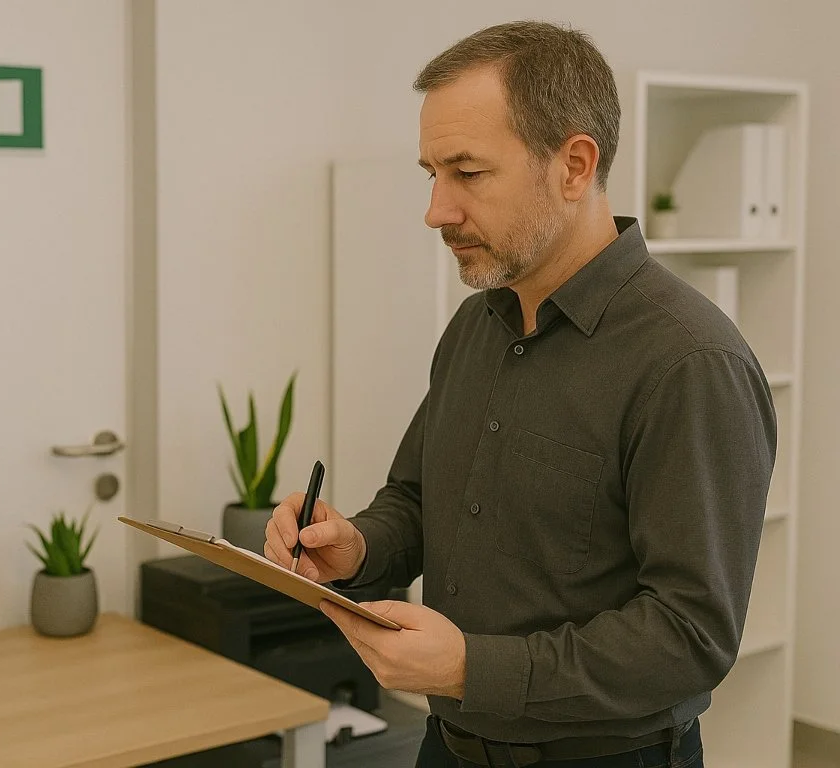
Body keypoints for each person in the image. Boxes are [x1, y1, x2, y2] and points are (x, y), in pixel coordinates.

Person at [263, 19, 776, 768]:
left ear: (574, 166)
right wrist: (358, 547)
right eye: (431, 174)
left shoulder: (690, 363)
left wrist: (471, 669)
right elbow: (417, 499)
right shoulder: (475, 325)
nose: (436, 210)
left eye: (467, 173)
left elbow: (689, 637)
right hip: (448, 746)